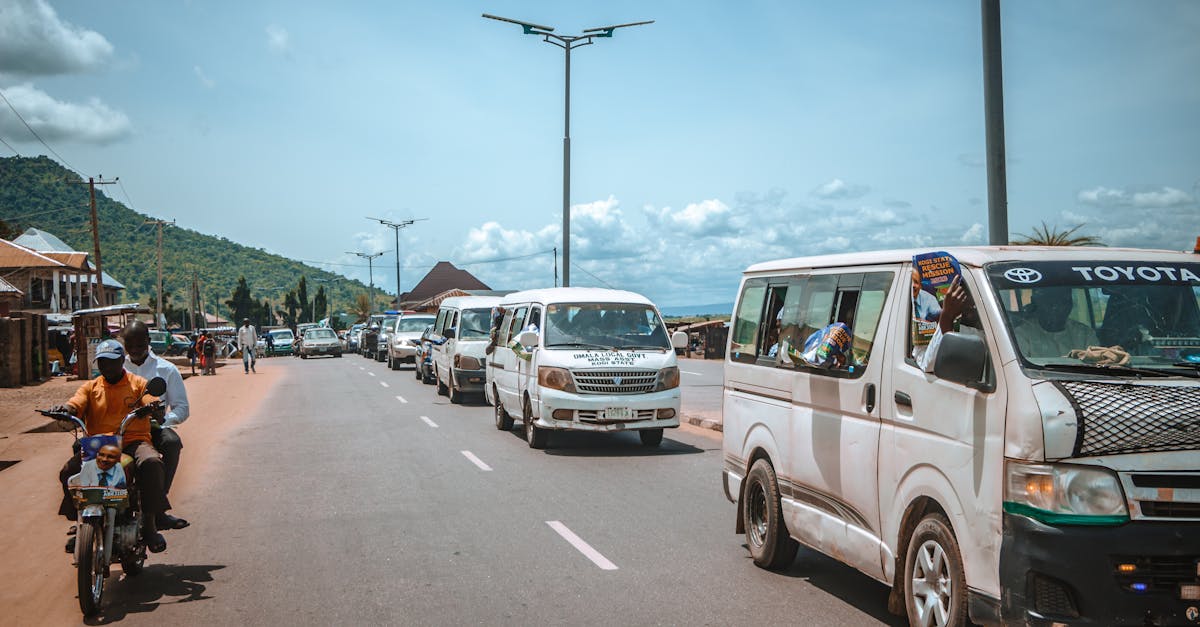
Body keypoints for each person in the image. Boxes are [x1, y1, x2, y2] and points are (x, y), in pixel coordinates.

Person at [53, 339, 168, 553]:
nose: (107, 366)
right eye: (102, 362)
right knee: (68, 471)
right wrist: (66, 410)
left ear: (121, 361)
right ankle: (80, 522)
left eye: (112, 361)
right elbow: (76, 403)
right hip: (99, 445)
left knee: (152, 463)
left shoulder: (137, 383)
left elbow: (151, 398)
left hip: (132, 441)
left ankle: (150, 524)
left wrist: (153, 406)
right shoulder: (90, 387)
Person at [122, 321, 191, 531]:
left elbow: (181, 407)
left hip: (153, 427)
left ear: (148, 341)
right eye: (130, 345)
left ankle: (158, 506)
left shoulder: (166, 369)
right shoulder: (116, 367)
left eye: (139, 345)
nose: (135, 350)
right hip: (120, 428)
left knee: (172, 443)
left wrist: (163, 421)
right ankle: (87, 513)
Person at [913, 276, 984, 372]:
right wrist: (946, 318)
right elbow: (928, 365)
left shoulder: (985, 333)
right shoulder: (925, 332)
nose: (970, 305)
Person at [1014, 287, 1100, 359]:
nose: (1056, 307)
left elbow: (1097, 364)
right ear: (1036, 303)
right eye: (1050, 301)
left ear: (1070, 304)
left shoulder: (1084, 334)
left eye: (1064, 301)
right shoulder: (1022, 335)